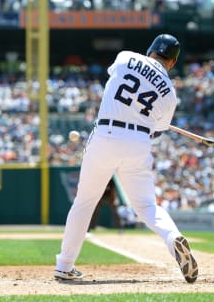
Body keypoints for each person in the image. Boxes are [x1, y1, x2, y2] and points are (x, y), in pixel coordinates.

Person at [54, 34, 198, 283]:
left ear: (150, 49)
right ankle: (172, 236)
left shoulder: (126, 57)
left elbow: (119, 83)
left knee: (85, 202)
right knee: (146, 206)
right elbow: (159, 127)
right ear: (172, 63)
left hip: (105, 134)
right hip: (138, 141)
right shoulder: (170, 95)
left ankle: (65, 265)